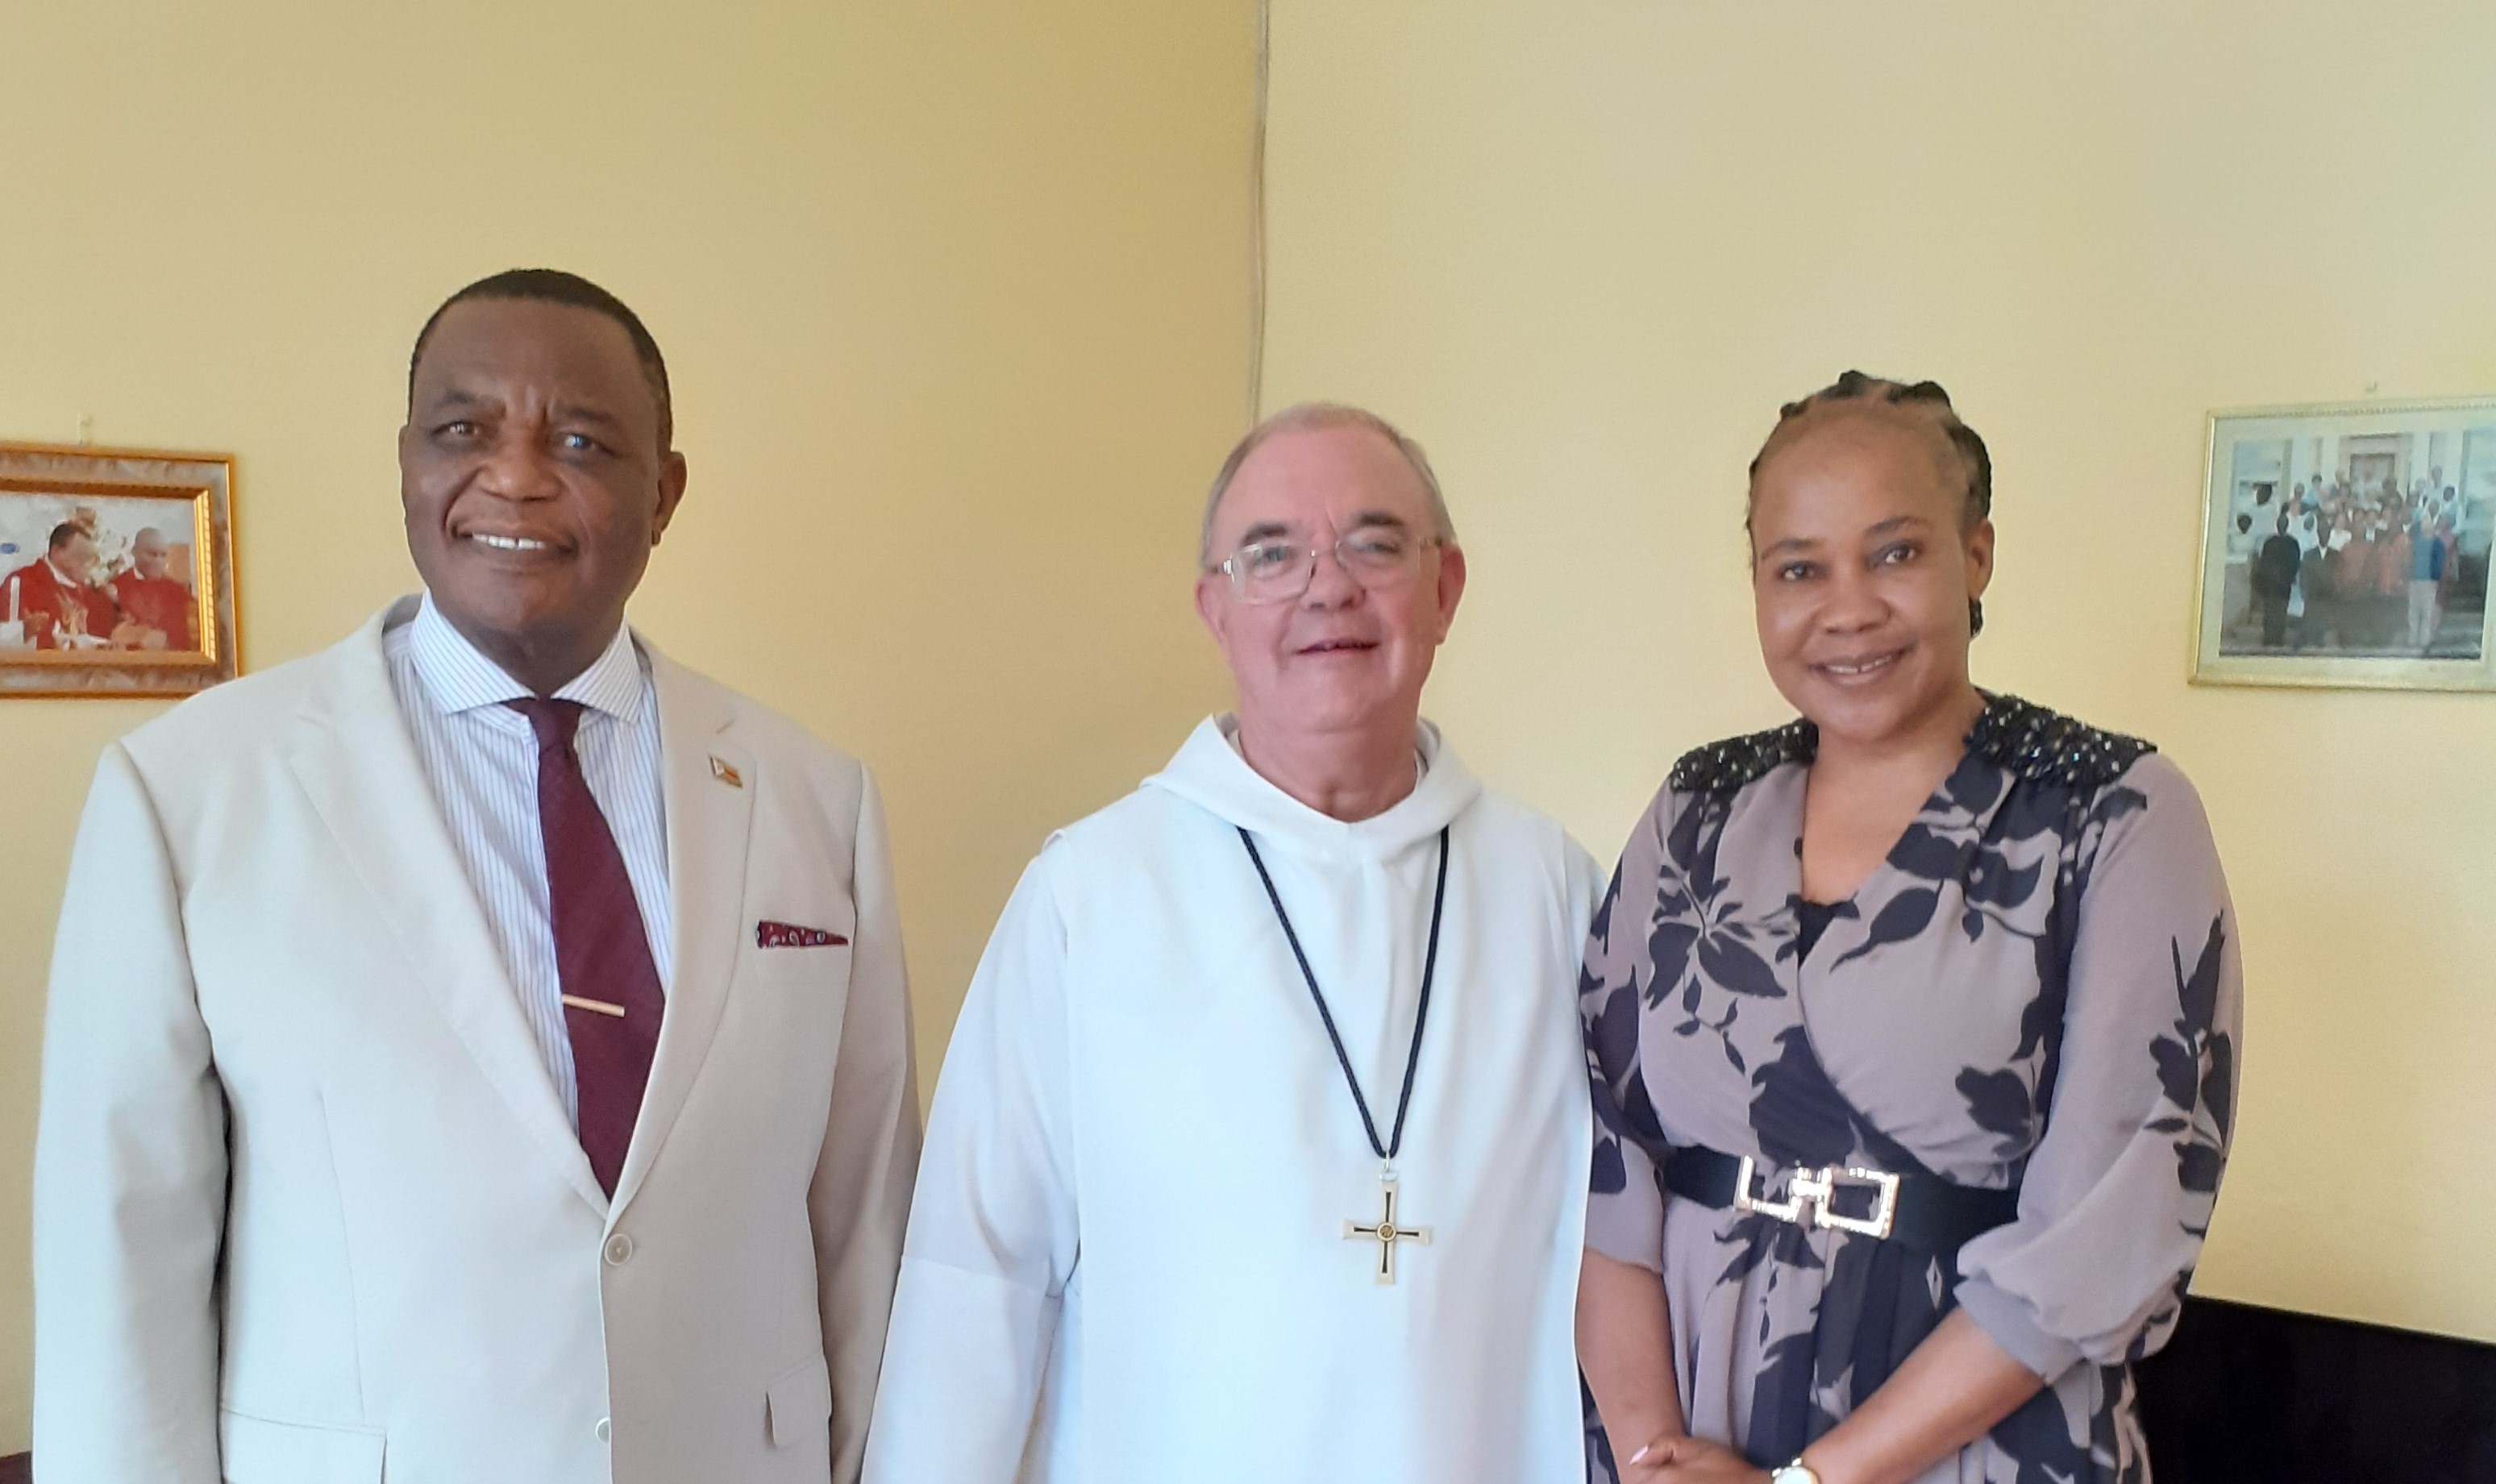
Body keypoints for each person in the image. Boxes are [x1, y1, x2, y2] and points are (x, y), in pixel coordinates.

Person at [35, 269, 921, 1482]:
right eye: (464, 431)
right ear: (406, 466)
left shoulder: (814, 796)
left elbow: (865, 1216)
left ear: (661, 495)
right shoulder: (190, 794)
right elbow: (120, 1248)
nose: (516, 475)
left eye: (581, 439)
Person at [864, 404, 1604, 1484]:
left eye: (1374, 542)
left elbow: (1623, 1255)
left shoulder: (1556, 891)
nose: (1327, 586)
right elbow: (975, 1275)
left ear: (1445, 589)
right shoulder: (1092, 894)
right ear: (1215, 609)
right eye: (1272, 554)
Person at [1575, 372, 2240, 1484]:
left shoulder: (2112, 812)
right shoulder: (1696, 806)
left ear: (1975, 556)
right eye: (1800, 568)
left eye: (1894, 554)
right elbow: (1605, 1157)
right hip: (1683, 1429)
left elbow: (2112, 1225)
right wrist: (1650, 1458)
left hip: (1971, 1443)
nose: (1847, 608)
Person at [3, 522, 131, 648]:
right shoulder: (23, 582)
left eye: (90, 559)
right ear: (57, 552)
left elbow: (110, 633)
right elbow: (6, 639)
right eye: (81, 557)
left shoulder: (90, 593)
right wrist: (23, 631)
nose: (88, 565)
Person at [108, 526, 197, 650]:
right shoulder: (115, 587)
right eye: (152, 554)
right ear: (134, 552)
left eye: (163, 555)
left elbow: (188, 635)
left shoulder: (177, 591)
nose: (158, 561)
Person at [2253, 513, 2300, 647]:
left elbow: (2295, 563)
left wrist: (2289, 578)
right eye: (2280, 523)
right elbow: (2264, 563)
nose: (2281, 526)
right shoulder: (2270, 542)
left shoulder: (2291, 543)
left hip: (2283, 585)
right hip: (2271, 584)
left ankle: (2278, 638)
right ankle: (2269, 638)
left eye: (2284, 523)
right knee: (2270, 611)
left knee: (2280, 612)